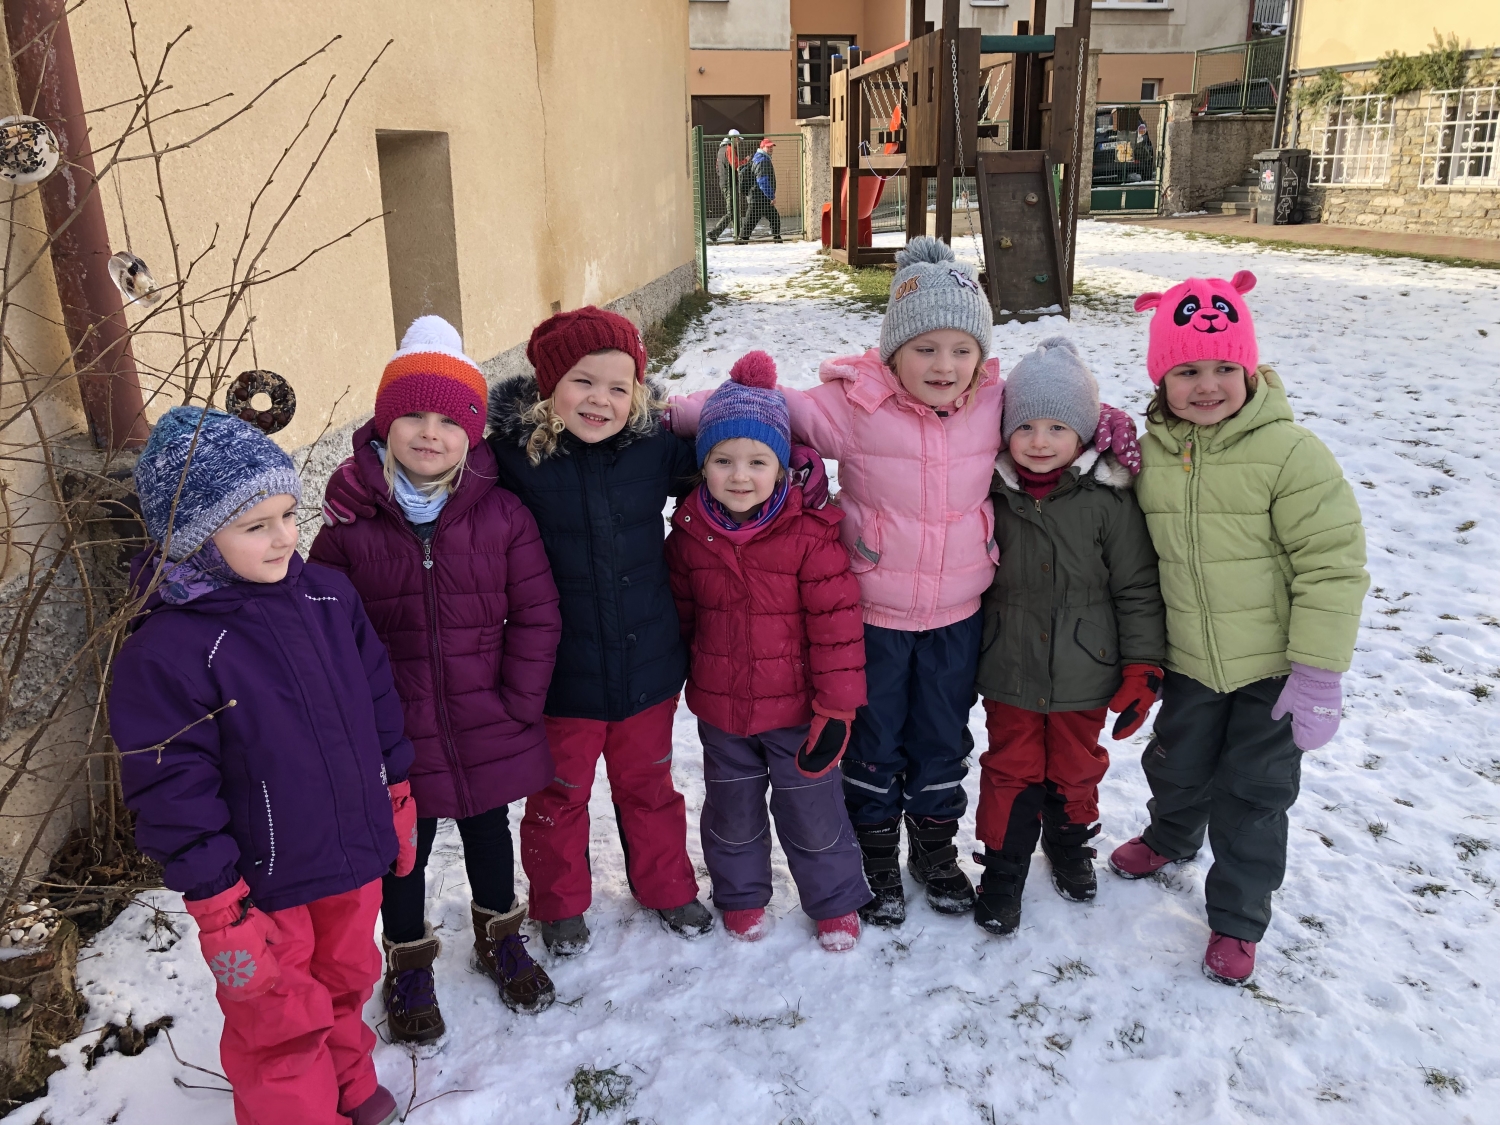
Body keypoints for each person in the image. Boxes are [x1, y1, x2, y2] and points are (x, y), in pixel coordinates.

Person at [669, 237, 1142, 928]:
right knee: (874, 743)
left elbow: (1054, 415)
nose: (944, 365)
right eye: (926, 348)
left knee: (942, 739)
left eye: (961, 349)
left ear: (980, 355)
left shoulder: (993, 403)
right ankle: (876, 855)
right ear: (894, 351)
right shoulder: (855, 405)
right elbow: (767, 406)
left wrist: (1106, 427)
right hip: (873, 615)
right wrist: (672, 414)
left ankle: (934, 849)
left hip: (958, 615)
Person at [112, 407, 414, 1125]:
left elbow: (378, 698)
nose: (284, 537)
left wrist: (396, 793)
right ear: (195, 540)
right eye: (256, 526)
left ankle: (348, 1081)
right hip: (261, 884)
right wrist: (218, 902)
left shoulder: (328, 597)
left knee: (347, 980)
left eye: (288, 515)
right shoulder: (170, 650)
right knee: (277, 1020)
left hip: (350, 855)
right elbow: (172, 788)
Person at [1110, 271, 1369, 985]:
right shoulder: (1148, 455)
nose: (1207, 385)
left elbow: (1332, 564)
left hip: (1272, 670)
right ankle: (1171, 836)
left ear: (1249, 370)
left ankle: (1237, 917)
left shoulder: (1290, 453)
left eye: (1224, 368)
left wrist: (1318, 672)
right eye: (1186, 370)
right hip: (1189, 661)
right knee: (1176, 766)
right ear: (1161, 378)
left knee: (1254, 795)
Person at [311, 316, 562, 1042]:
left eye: (450, 420)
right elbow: (323, 629)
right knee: (404, 850)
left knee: (488, 830)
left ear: (472, 434)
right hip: (394, 729)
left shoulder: (502, 514)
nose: (430, 433)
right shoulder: (349, 525)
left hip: (486, 715)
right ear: (383, 425)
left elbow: (537, 612)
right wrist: (358, 721)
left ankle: (500, 935)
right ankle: (409, 961)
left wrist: (520, 699)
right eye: (412, 416)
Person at [665, 351, 871, 951]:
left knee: (813, 812)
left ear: (781, 468)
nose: (739, 476)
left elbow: (837, 629)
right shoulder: (690, 538)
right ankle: (740, 896)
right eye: (723, 460)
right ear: (703, 466)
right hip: (723, 711)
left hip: (798, 713)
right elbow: (680, 618)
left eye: (757, 462)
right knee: (732, 814)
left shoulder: (811, 536)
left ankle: (834, 902)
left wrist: (836, 710)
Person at [972, 337, 1164, 936]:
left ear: (1082, 433)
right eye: (1025, 426)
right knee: (1010, 766)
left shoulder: (1107, 502)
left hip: (1087, 667)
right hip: (1009, 666)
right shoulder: (988, 492)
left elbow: (1136, 587)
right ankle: (1003, 867)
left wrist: (1142, 666)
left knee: (1078, 765)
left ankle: (1068, 842)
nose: (1039, 441)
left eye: (1057, 427)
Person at [738, 138, 782, 243]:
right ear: (762, 147)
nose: (771, 148)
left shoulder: (759, 158)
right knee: (751, 221)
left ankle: (777, 238)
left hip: (760, 196)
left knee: (774, 218)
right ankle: (742, 240)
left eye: (771, 147)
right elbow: (762, 180)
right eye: (768, 147)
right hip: (759, 197)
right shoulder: (762, 160)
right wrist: (771, 196)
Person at [708, 129, 743, 242]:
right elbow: (736, 165)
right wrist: (746, 161)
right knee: (732, 212)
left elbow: (717, 168)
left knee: (734, 211)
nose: (739, 142)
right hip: (730, 184)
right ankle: (714, 232)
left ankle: (739, 235)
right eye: (738, 139)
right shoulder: (729, 149)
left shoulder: (721, 150)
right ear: (734, 138)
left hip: (724, 183)